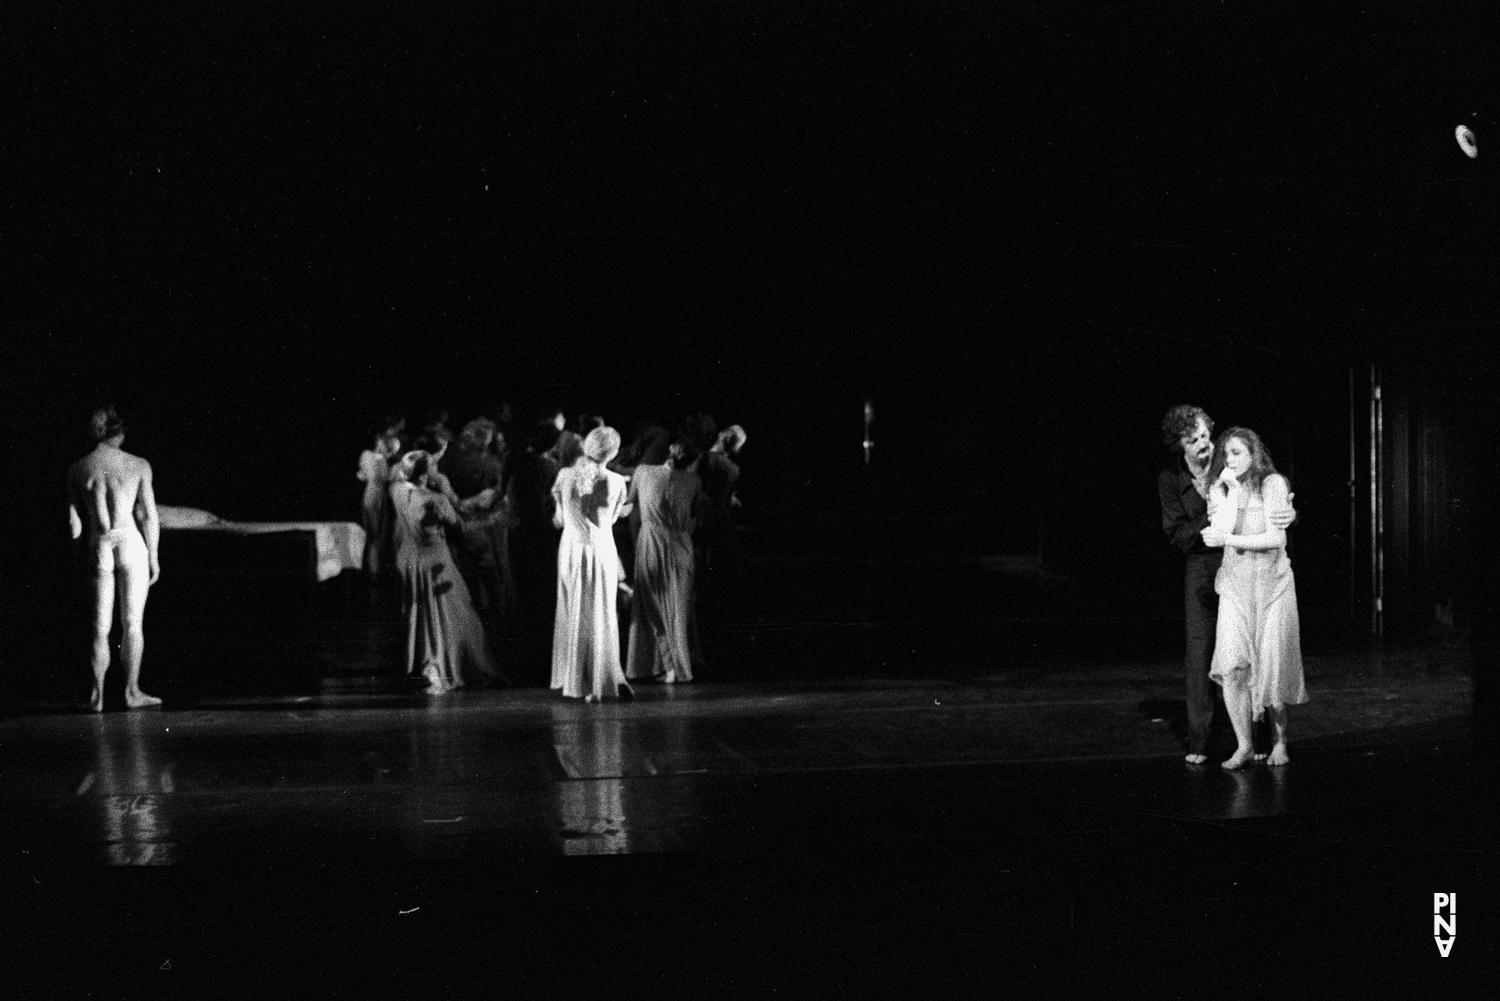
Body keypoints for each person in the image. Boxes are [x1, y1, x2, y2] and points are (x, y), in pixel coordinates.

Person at [1158, 405, 1294, 765]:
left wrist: (1286, 513)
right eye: (1194, 439)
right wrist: (1214, 523)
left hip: (1251, 566)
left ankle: (1264, 740)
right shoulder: (1174, 479)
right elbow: (1180, 534)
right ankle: (1203, 742)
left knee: (1262, 654)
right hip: (1206, 566)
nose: (1205, 444)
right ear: (1180, 445)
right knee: (1206, 653)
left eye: (1206, 435)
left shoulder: (1234, 465)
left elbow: (1269, 508)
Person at [1201, 427, 1309, 769]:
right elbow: (1224, 527)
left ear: (1253, 453)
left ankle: (1279, 743)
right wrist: (1231, 491)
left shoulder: (1273, 483)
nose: (1231, 460)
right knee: (1232, 665)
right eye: (1227, 453)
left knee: (1273, 666)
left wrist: (1229, 540)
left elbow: (1275, 539)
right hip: (1235, 586)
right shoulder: (1218, 488)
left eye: (1238, 452)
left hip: (1273, 585)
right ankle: (1244, 745)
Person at [66, 406, 162, 711]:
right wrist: (155, 556)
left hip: (99, 545)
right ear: (118, 432)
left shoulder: (78, 468)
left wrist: (77, 556)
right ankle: (131, 692)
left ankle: (97, 696)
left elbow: (74, 524)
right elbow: (147, 515)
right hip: (131, 544)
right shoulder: (137, 465)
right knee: (132, 623)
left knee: (99, 627)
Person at [389, 451, 503, 694]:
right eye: (432, 466)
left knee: (425, 614)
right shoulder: (435, 499)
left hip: (412, 559)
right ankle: (451, 665)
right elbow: (461, 528)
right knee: (457, 614)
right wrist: (494, 519)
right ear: (425, 474)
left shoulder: (397, 491)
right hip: (435, 559)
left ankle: (423, 662)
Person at [550, 426, 634, 702]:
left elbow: (560, 516)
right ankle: (598, 677)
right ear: (613, 452)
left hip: (572, 548)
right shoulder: (617, 482)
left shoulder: (565, 475)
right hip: (599, 549)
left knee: (575, 608)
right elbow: (608, 521)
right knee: (599, 612)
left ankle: (576, 678)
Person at [625, 440, 704, 684]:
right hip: (680, 544)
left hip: (653, 540)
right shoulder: (694, 481)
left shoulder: (643, 471)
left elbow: (628, 504)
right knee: (676, 608)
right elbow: (694, 516)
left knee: (653, 604)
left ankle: (667, 665)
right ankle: (673, 664)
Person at [357, 425, 402, 577]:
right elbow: (382, 477)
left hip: (372, 495)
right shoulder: (377, 458)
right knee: (376, 534)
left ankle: (374, 569)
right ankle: (375, 571)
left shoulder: (368, 455)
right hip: (376, 495)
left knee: (375, 534)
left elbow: (363, 475)